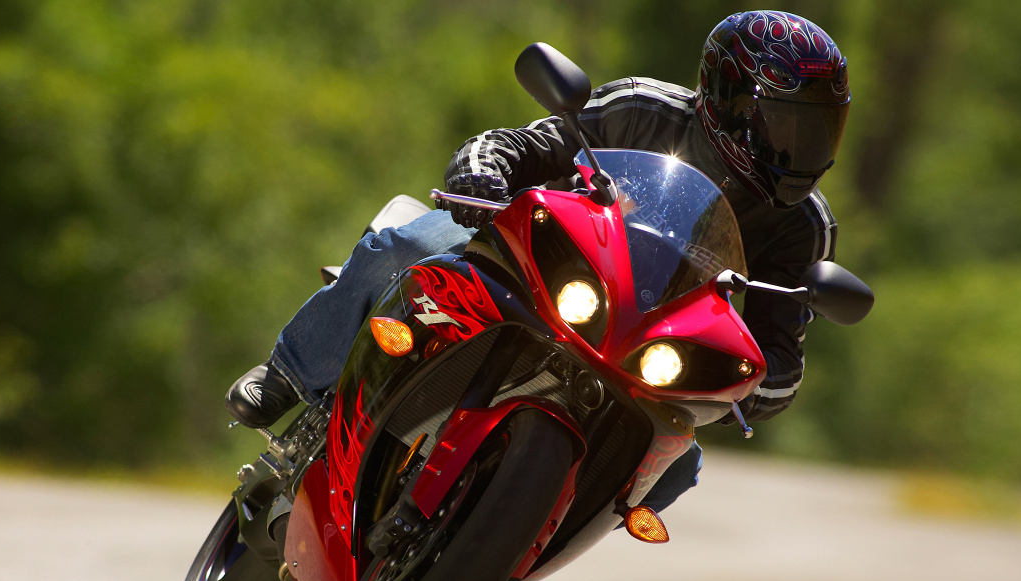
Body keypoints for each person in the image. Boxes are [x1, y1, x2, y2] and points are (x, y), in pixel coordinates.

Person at [226, 11, 849, 513]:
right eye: (784, 126)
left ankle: (515, 548)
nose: (798, 150)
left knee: (675, 467)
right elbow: (526, 144)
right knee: (407, 248)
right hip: (537, 259)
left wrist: (753, 383)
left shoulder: (805, 227)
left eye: (816, 132)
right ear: (727, 99)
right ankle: (290, 373)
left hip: (641, 350)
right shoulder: (645, 109)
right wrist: (483, 173)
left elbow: (778, 351)